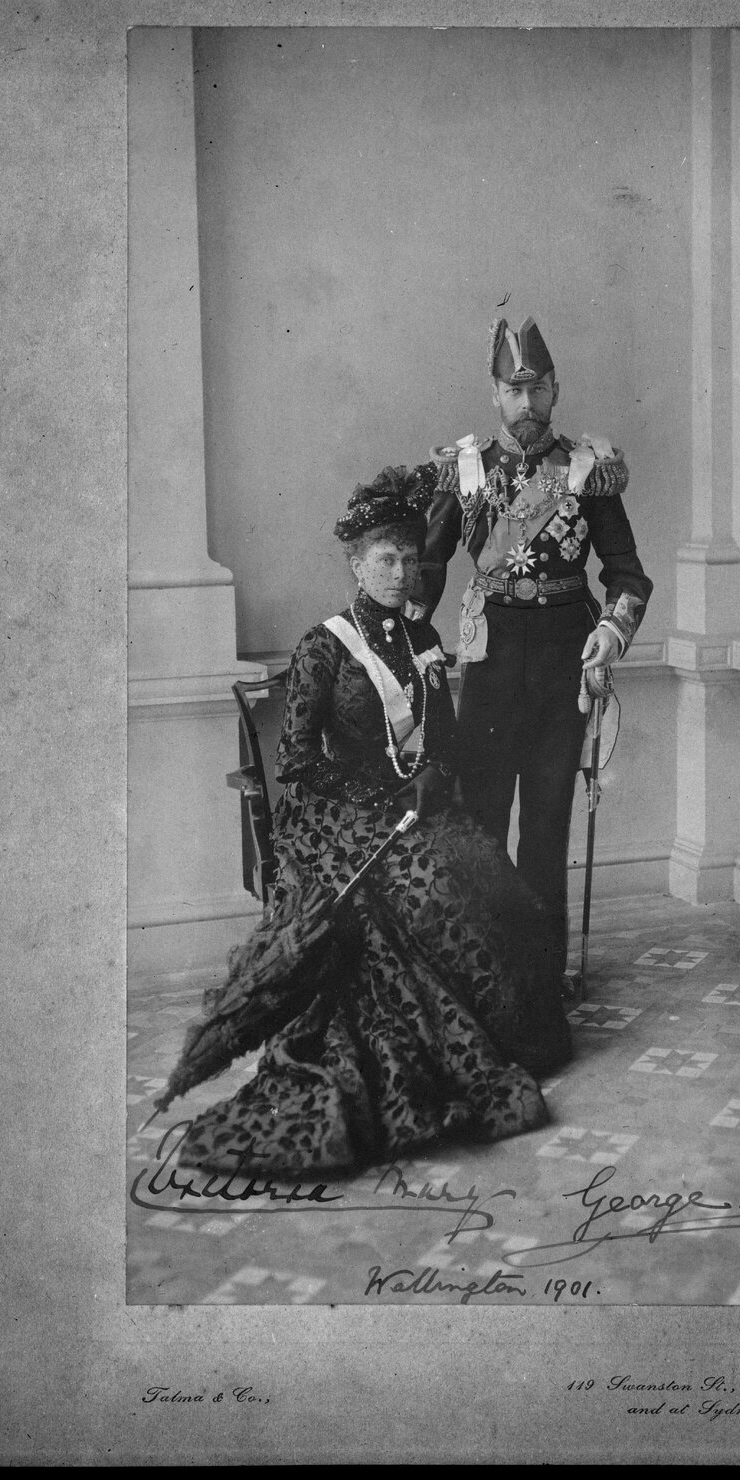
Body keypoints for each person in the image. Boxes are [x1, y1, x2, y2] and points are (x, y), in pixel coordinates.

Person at [173, 467, 572, 1176]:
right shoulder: (324, 647)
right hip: (341, 817)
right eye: (385, 559)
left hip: (415, 807)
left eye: (409, 558)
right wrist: (384, 788)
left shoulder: (419, 638)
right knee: (431, 896)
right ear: (357, 566)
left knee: (500, 888)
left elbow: (442, 738)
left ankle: (519, 1035)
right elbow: (296, 761)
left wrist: (433, 772)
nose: (401, 571)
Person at [403, 315, 654, 985]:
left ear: (555, 389)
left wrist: (612, 631)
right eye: (512, 392)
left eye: (537, 389)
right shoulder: (466, 471)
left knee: (545, 830)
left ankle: (538, 979)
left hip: (562, 667)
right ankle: (486, 973)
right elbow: (423, 581)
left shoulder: (584, 471)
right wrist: (401, 651)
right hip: (487, 668)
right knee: (482, 825)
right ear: (493, 394)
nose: (526, 404)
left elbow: (627, 575)